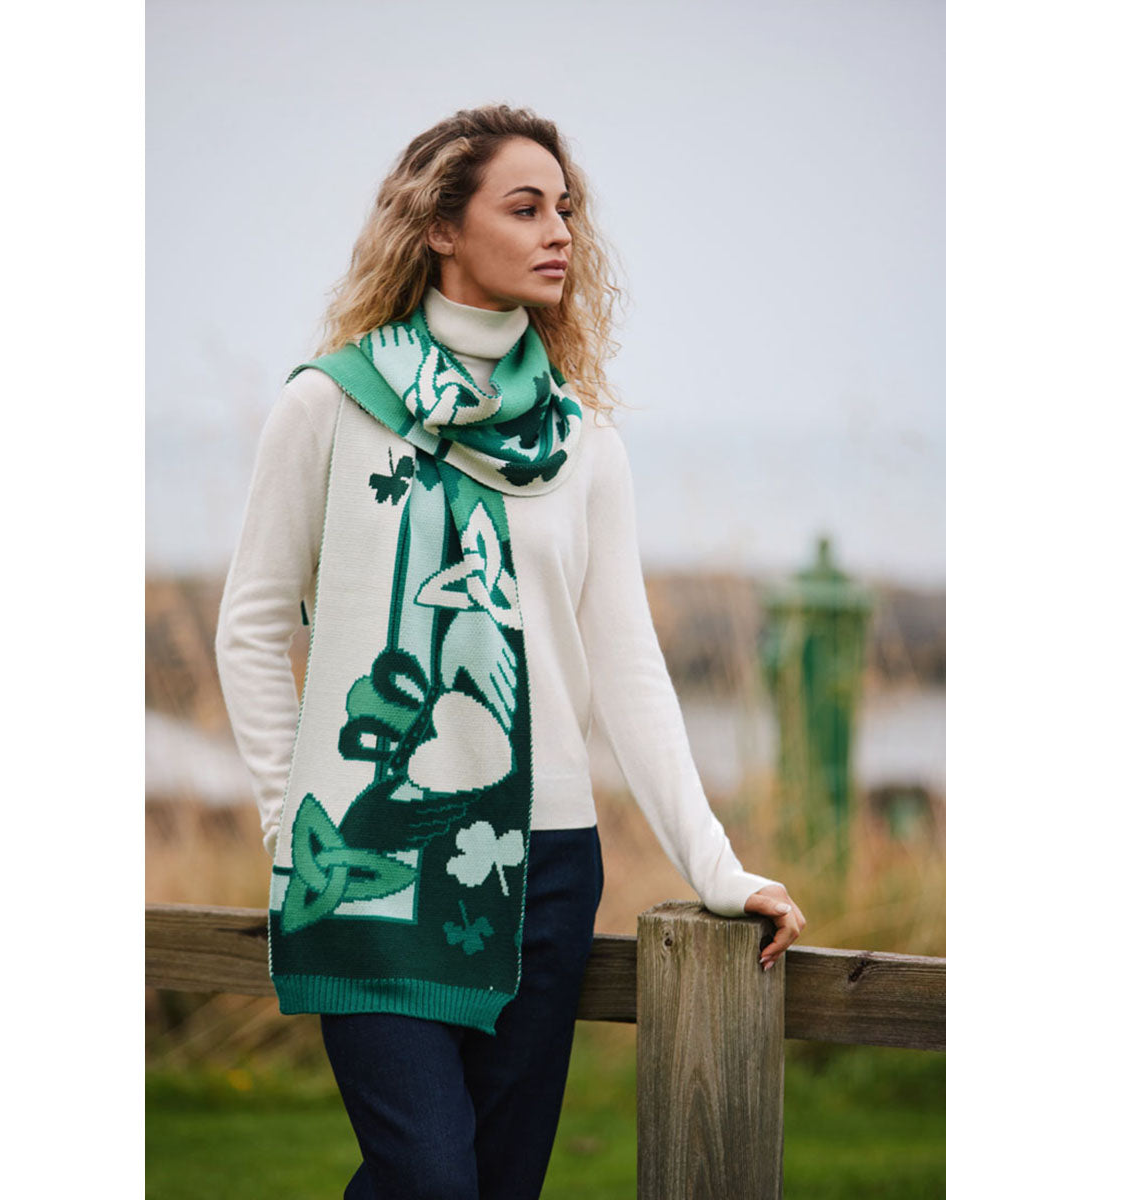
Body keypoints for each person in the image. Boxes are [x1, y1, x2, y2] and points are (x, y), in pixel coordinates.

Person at [215, 103, 806, 1200]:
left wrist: (719, 870)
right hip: (368, 858)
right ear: (440, 226)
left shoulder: (583, 442)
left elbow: (627, 667)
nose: (560, 232)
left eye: (565, 209)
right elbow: (250, 626)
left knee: (498, 1184)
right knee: (432, 1180)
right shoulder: (329, 406)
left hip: (543, 866)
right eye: (525, 208)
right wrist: (289, 826)